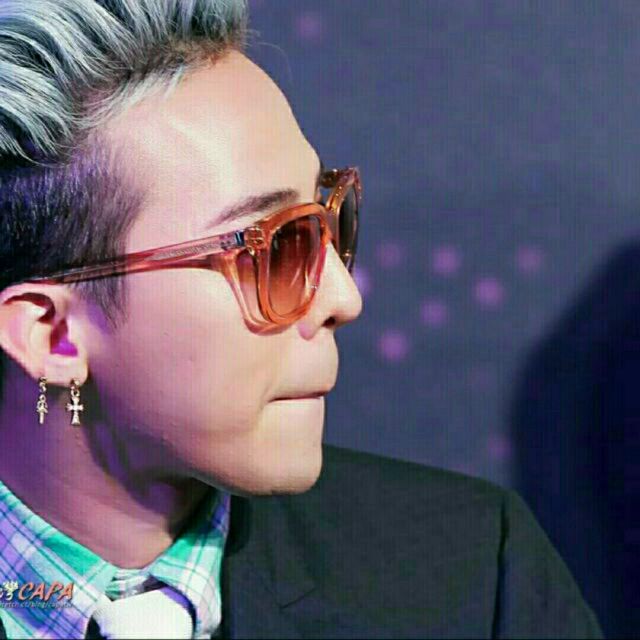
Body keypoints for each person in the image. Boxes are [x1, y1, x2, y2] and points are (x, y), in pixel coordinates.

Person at [0, 1, 603, 638]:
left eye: (326, 223)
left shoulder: (473, 579)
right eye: (271, 250)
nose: (343, 297)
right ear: (52, 334)